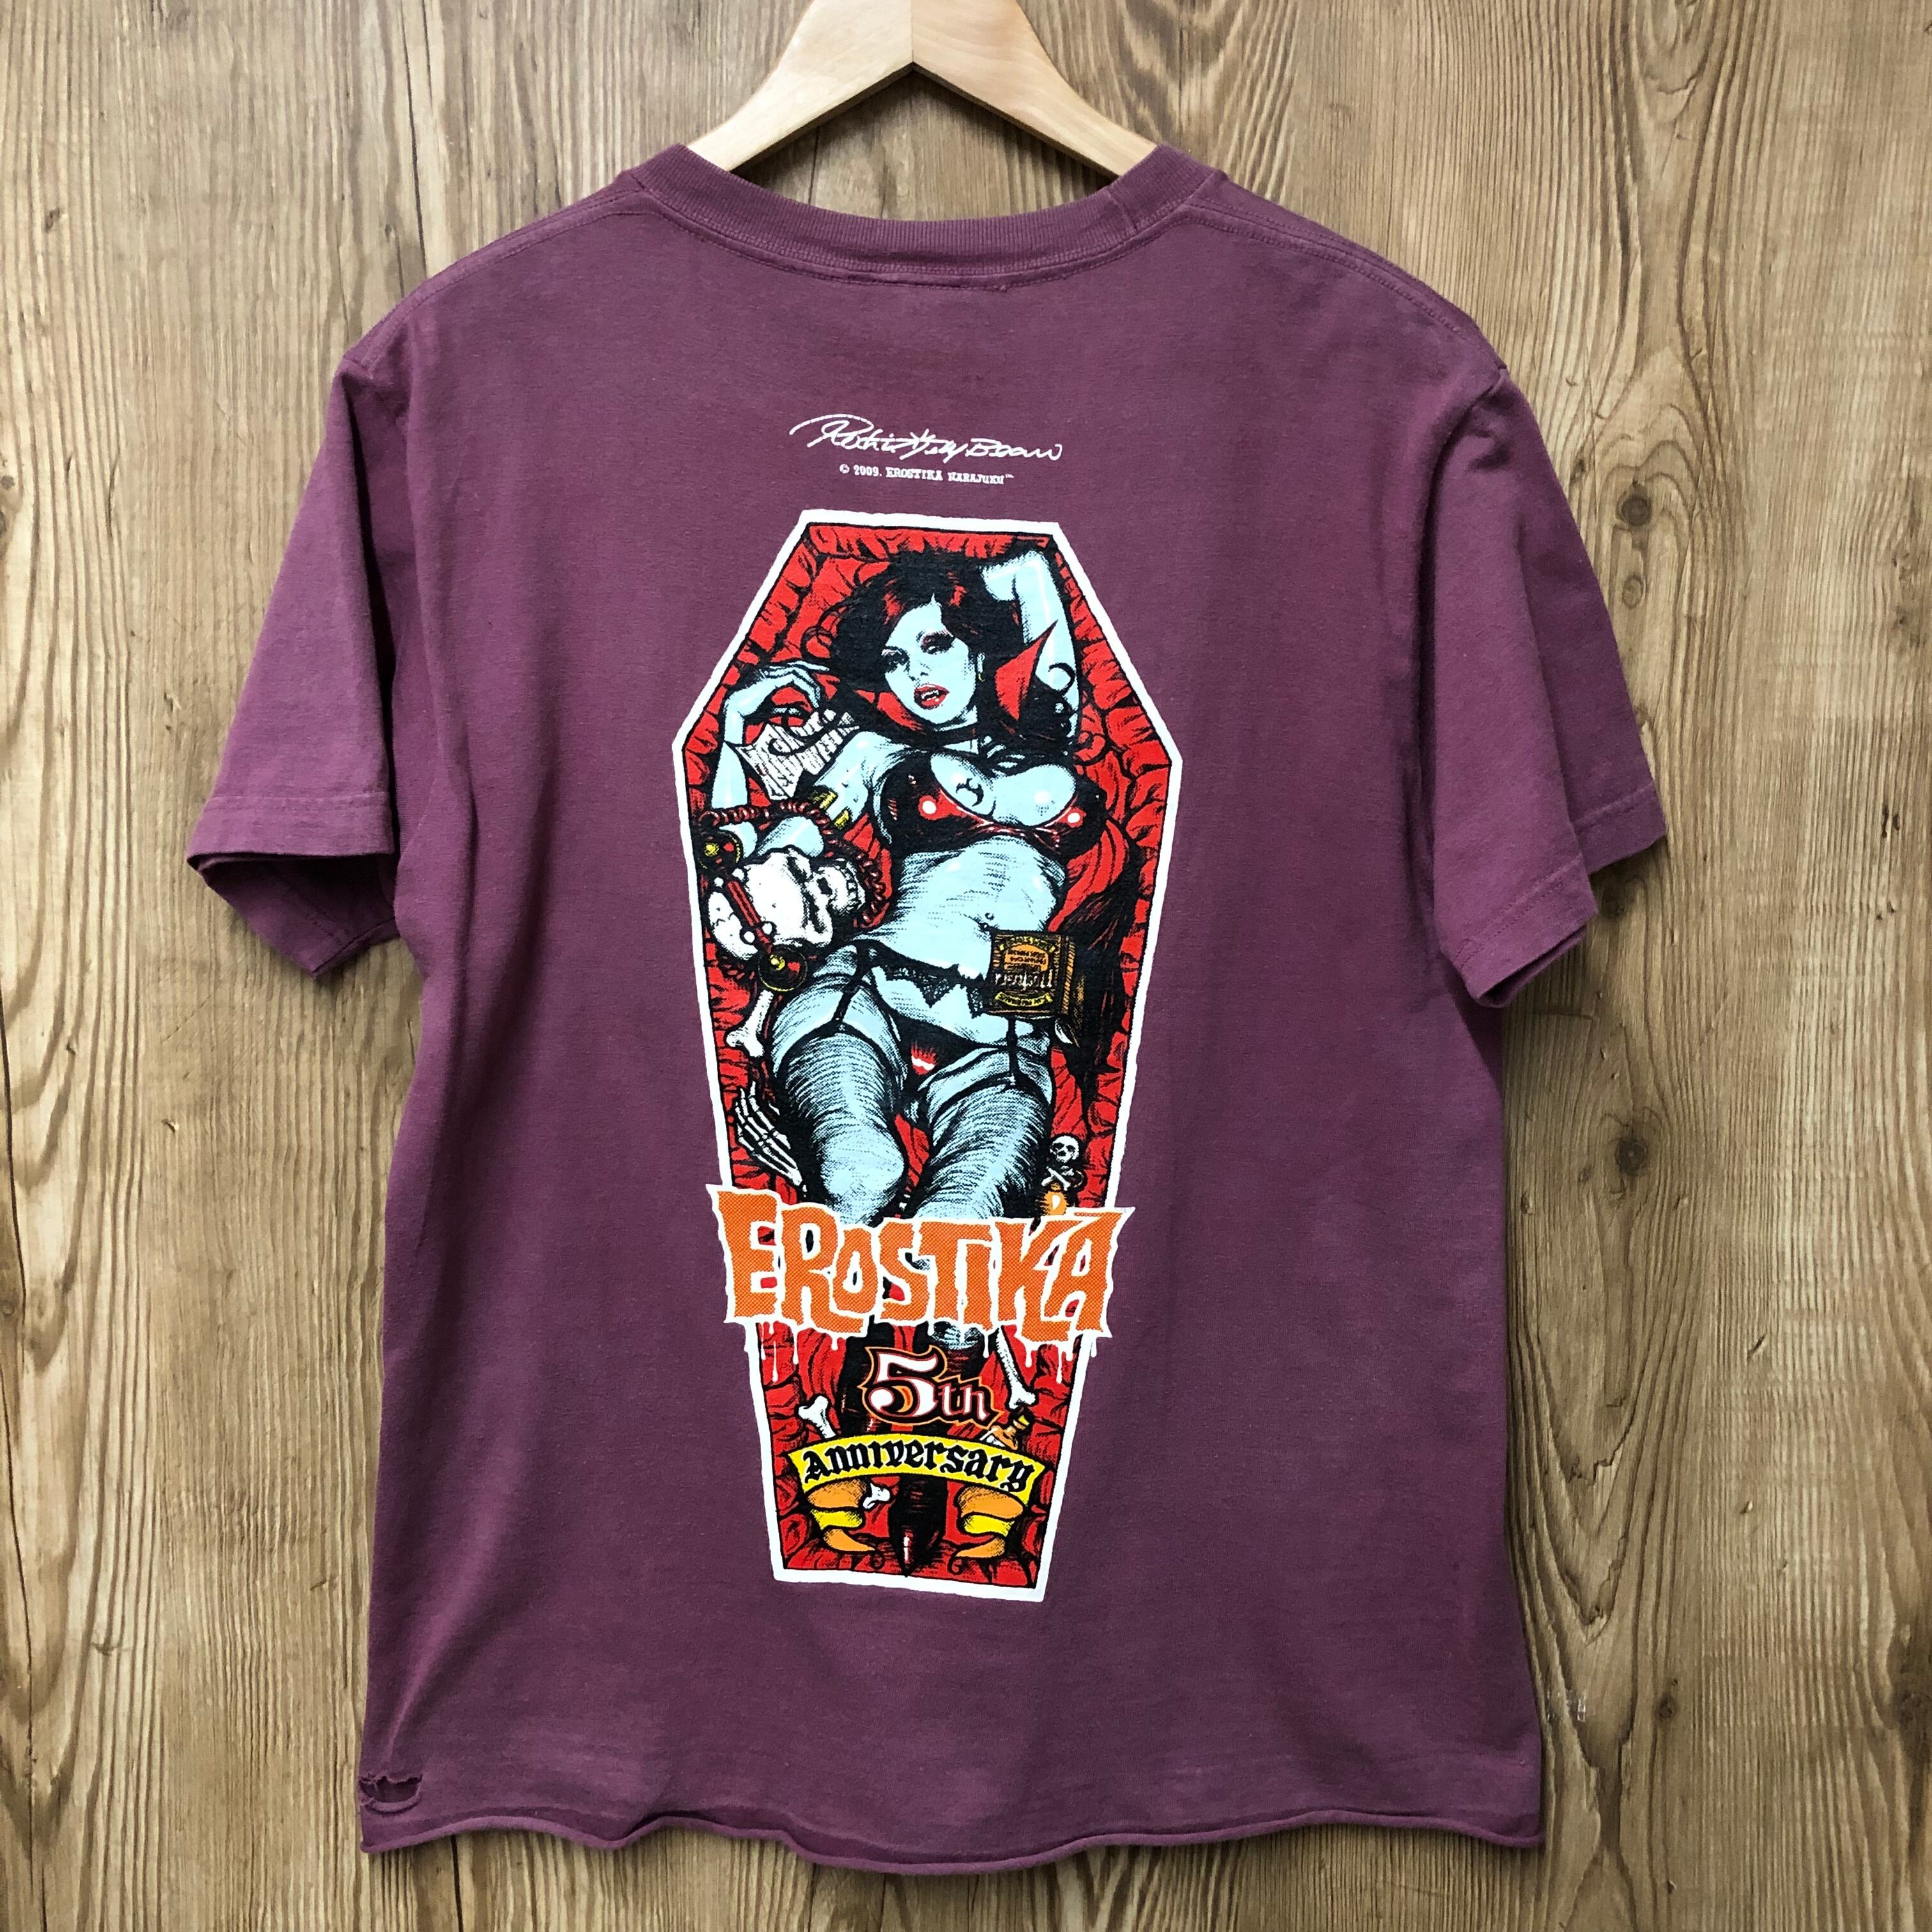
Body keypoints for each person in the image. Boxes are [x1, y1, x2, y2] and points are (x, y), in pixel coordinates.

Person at [701, 544, 1124, 1225]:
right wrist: (731, 735)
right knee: (862, 1176)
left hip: (1004, 1039)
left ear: (981, 647)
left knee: (958, 1243)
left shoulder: (1049, 741)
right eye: (894, 660)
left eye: (935, 645)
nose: (915, 674)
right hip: (866, 991)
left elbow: (1032, 576)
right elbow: (769, 855)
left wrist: (962, 585)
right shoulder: (873, 754)